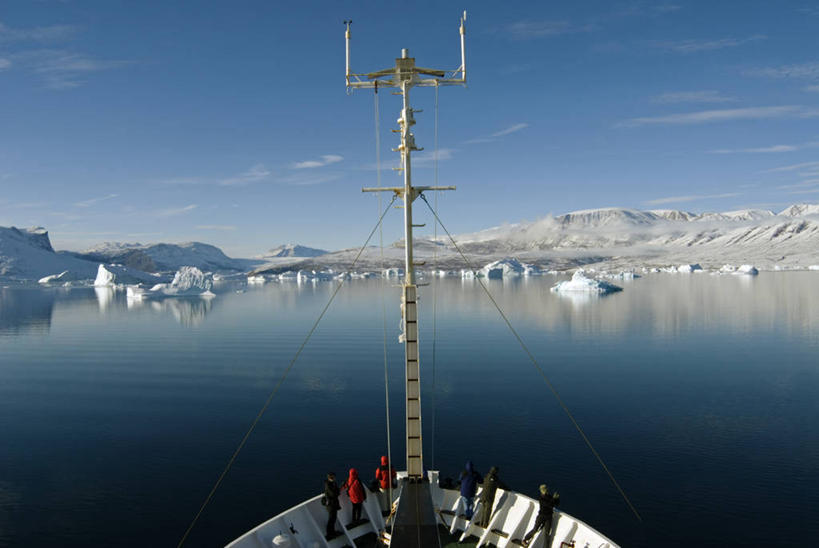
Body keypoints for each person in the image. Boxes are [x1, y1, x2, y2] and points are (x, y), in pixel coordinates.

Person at [323, 472, 342, 539]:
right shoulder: (328, 485)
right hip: (331, 505)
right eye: (333, 477)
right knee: (331, 519)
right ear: (330, 478)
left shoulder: (333, 484)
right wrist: (336, 491)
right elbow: (333, 494)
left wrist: (337, 492)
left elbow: (337, 492)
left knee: (333, 519)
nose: (334, 478)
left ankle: (333, 532)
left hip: (334, 504)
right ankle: (329, 533)